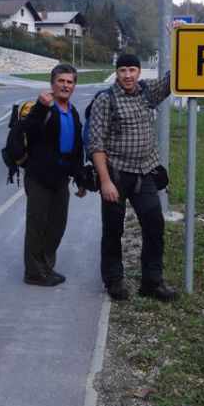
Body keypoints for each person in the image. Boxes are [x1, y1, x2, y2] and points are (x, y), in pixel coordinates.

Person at [86, 53, 179, 302]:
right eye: (123, 70)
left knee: (154, 226)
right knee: (114, 229)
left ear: (139, 72)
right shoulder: (106, 100)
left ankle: (152, 283)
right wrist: (105, 181)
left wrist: (180, 38)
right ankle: (114, 281)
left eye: (132, 70)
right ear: (116, 73)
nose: (128, 75)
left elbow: (176, 78)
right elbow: (96, 144)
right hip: (115, 174)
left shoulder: (147, 93)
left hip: (145, 173)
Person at [19, 63, 86, 287]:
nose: (65, 85)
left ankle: (46, 267)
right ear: (52, 84)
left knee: (57, 225)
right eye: (61, 81)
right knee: (37, 226)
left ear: (74, 86)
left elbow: (77, 147)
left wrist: (80, 178)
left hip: (60, 178)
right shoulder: (42, 109)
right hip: (39, 177)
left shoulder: (73, 111)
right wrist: (39, 107)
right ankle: (33, 273)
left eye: (70, 82)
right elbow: (25, 131)